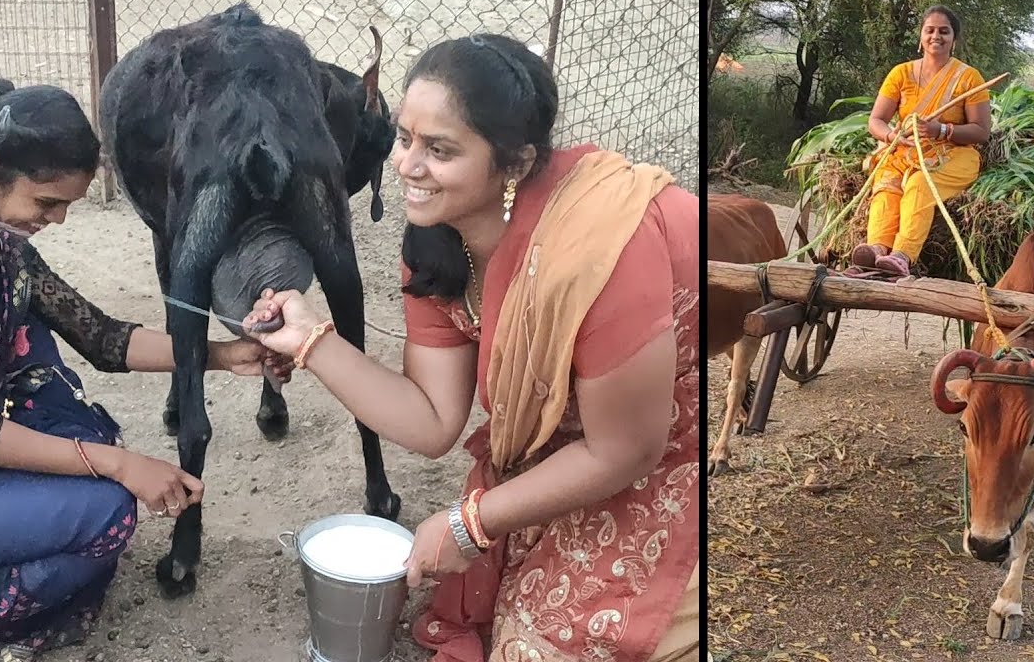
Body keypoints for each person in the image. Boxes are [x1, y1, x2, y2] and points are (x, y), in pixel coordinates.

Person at [243, 35, 699, 661]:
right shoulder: (436, 242)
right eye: (404, 139)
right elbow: (432, 421)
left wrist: (471, 522)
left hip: (657, 439)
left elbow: (627, 449)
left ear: (514, 163)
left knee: (545, 644)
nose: (405, 167)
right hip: (569, 442)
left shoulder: (595, 250)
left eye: (440, 150)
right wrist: (310, 341)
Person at [0, 78, 293, 662]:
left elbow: (102, 337)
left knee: (86, 441)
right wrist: (121, 465)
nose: (60, 220)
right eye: (47, 203)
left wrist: (221, 353)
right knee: (110, 511)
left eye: (67, 205)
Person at [852, 4, 994, 277]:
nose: (936, 37)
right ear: (920, 36)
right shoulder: (901, 73)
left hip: (953, 155)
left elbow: (981, 131)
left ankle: (902, 256)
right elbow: (876, 121)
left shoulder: (969, 78)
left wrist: (941, 130)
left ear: (955, 39)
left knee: (919, 183)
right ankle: (877, 250)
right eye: (929, 30)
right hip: (904, 151)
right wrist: (892, 136)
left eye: (944, 31)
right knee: (886, 183)